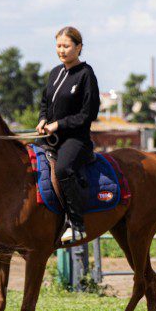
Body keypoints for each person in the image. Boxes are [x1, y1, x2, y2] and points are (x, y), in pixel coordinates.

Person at [36, 26, 101, 243]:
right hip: (50, 137)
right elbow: (45, 102)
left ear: (79, 47)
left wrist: (58, 125)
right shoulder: (55, 72)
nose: (61, 50)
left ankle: (76, 224)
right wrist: (43, 120)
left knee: (63, 168)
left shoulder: (86, 74)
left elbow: (88, 114)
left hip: (76, 139)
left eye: (66, 46)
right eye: (58, 46)